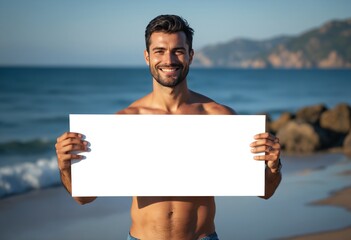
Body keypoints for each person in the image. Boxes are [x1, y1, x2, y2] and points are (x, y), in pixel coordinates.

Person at [55, 15, 282, 240]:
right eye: (160, 51)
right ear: (147, 57)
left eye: (178, 51)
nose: (169, 59)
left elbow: (264, 192)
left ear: (190, 56)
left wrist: (273, 166)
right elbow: (84, 198)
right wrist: (66, 167)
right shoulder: (125, 121)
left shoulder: (219, 117)